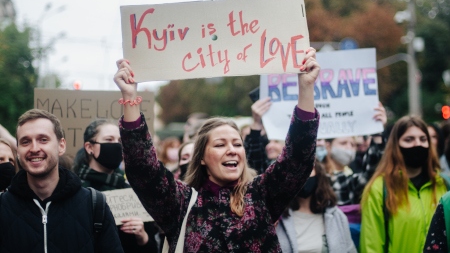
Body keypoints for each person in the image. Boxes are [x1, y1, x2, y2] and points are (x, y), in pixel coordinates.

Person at [113, 47, 320, 252]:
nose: (232, 150)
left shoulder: (262, 195)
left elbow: (297, 159)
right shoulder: (181, 204)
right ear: (201, 157)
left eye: (237, 144)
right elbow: (143, 170)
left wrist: (306, 87)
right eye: (220, 145)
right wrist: (130, 97)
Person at [0, 109, 123, 252]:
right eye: (25, 142)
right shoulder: (3, 206)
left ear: (61, 146)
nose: (34, 148)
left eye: (43, 140)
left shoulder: (94, 205)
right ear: (18, 151)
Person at [360, 115, 448, 253]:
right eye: (409, 139)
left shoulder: (444, 184)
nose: (417, 144)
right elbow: (371, 246)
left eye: (423, 139)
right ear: (395, 146)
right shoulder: (379, 188)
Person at [76, 119, 159, 253]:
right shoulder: (75, 189)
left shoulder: (132, 190)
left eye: (120, 141)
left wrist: (142, 236)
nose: (116, 145)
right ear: (89, 147)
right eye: (109, 140)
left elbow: (153, 249)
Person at [277, 160, 357, 253]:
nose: (303, 174)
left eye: (308, 169)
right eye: (297, 170)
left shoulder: (336, 217)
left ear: (319, 174)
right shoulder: (277, 219)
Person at [321, 102, 387, 206]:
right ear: (328, 146)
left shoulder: (348, 180)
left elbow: (372, 172)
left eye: (353, 145)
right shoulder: (317, 177)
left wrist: (377, 131)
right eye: (343, 143)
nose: (349, 148)